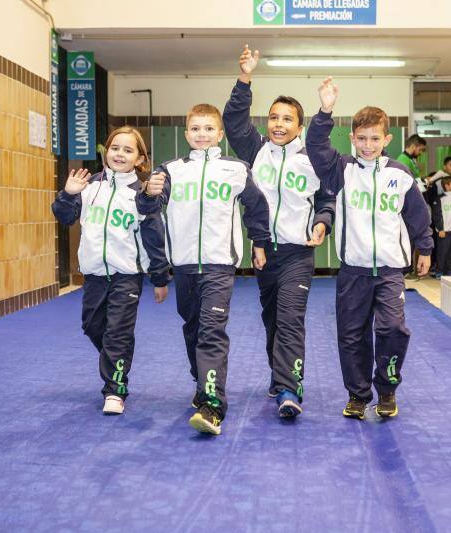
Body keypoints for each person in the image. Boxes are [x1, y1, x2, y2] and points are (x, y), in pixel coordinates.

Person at [138, 104, 270, 435]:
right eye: (196, 128)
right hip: (183, 265)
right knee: (193, 328)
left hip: (219, 265)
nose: (202, 134)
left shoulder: (236, 169)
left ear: (220, 134)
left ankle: (213, 405)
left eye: (209, 129)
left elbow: (256, 207)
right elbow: (148, 209)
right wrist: (147, 193)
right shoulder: (169, 170)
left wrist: (259, 243)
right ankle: (202, 382)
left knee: (212, 331)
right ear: (186, 134)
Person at [305, 77, 433, 420]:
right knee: (351, 336)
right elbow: (316, 145)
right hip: (353, 271)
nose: (367, 145)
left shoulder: (401, 175)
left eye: (375, 138)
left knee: (392, 329)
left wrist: (425, 247)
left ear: (387, 139)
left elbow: (417, 214)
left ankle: (387, 389)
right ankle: (359, 395)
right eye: (361, 138)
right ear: (352, 138)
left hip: (390, 271)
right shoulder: (341, 171)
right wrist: (325, 109)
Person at [222, 45, 335, 418]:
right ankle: (279, 372)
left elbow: (327, 198)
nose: (278, 124)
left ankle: (290, 387)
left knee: (290, 317)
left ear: (299, 126)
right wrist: (245, 79)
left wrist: (323, 222)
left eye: (287, 119)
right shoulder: (257, 152)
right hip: (263, 251)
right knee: (272, 318)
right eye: (273, 117)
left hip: (299, 252)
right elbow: (235, 123)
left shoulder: (312, 158)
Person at [51, 126, 171, 416]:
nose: (120, 154)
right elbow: (65, 216)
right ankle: (117, 356)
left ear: (140, 159)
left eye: (128, 150)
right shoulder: (90, 185)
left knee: (117, 332)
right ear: (107, 151)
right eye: (115, 147)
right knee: (93, 326)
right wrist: (68, 194)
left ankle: (115, 389)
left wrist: (159, 277)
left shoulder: (141, 193)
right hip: (93, 274)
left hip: (126, 274)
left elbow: (154, 237)